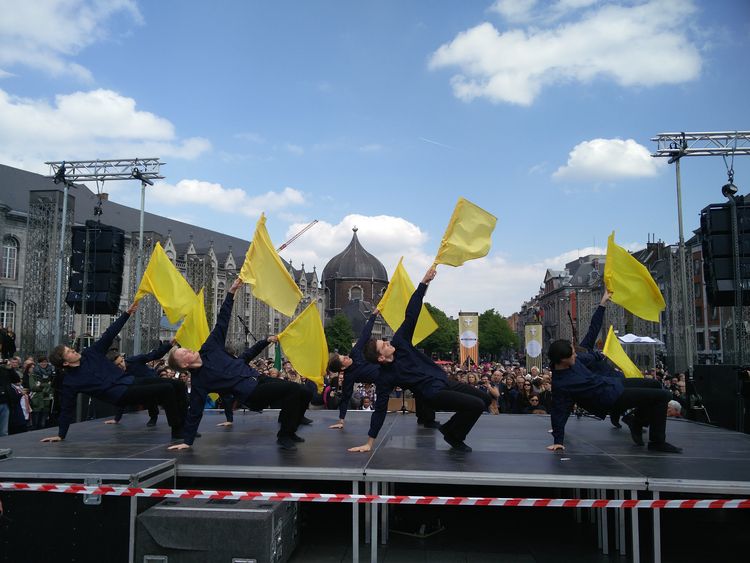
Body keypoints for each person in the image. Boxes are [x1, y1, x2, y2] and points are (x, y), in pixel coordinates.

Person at [354, 267, 490, 453]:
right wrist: (369, 442)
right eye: (383, 344)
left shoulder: (400, 342)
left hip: (443, 381)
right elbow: (380, 409)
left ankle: (449, 429)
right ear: (381, 357)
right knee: (476, 405)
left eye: (384, 340)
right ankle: (454, 435)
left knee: (485, 399)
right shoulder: (385, 377)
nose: (387, 342)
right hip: (433, 394)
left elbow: (411, 314)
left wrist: (423, 283)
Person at [166, 278, 310, 451]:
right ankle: (284, 436)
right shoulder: (200, 381)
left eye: (186, 349)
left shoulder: (210, 347)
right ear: (184, 364)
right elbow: (195, 411)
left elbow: (222, 321)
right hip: (251, 394)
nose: (189, 350)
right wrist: (187, 441)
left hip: (259, 379)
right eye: (184, 353)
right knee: (292, 389)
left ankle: (292, 428)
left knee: (304, 391)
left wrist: (231, 292)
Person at [547, 291, 681, 454]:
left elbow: (593, 331)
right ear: (562, 360)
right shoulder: (562, 384)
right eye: (572, 354)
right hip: (609, 398)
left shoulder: (577, 359)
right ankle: (657, 441)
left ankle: (636, 421)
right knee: (664, 395)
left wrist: (602, 303)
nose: (575, 355)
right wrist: (558, 440)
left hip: (613, 383)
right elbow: (559, 410)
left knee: (655, 384)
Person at [42, 302, 186, 443]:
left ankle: (187, 426)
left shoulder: (91, 353)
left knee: (178, 385)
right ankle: (177, 430)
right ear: (65, 363)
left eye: (70, 349)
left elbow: (109, 334)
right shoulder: (71, 381)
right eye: (69, 352)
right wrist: (61, 435)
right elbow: (67, 408)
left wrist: (127, 314)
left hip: (129, 381)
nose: (73, 350)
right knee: (167, 388)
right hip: (120, 394)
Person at [327, 309, 439, 431]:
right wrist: (341, 420)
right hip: (386, 380)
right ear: (343, 367)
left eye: (344, 355)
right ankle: (426, 419)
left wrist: (373, 316)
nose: (346, 356)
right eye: (344, 359)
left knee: (420, 386)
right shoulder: (349, 377)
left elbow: (365, 334)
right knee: (418, 387)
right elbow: (345, 398)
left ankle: (425, 418)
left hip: (391, 370)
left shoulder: (355, 352)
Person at [104, 340, 186, 427]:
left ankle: (182, 422)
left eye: (121, 361)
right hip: (143, 391)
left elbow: (155, 354)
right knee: (149, 397)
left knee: (172, 399)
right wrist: (117, 418)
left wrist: (169, 345)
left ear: (123, 358)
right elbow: (121, 396)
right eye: (117, 365)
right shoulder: (118, 376)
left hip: (155, 382)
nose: (121, 365)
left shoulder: (135, 360)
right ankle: (154, 417)